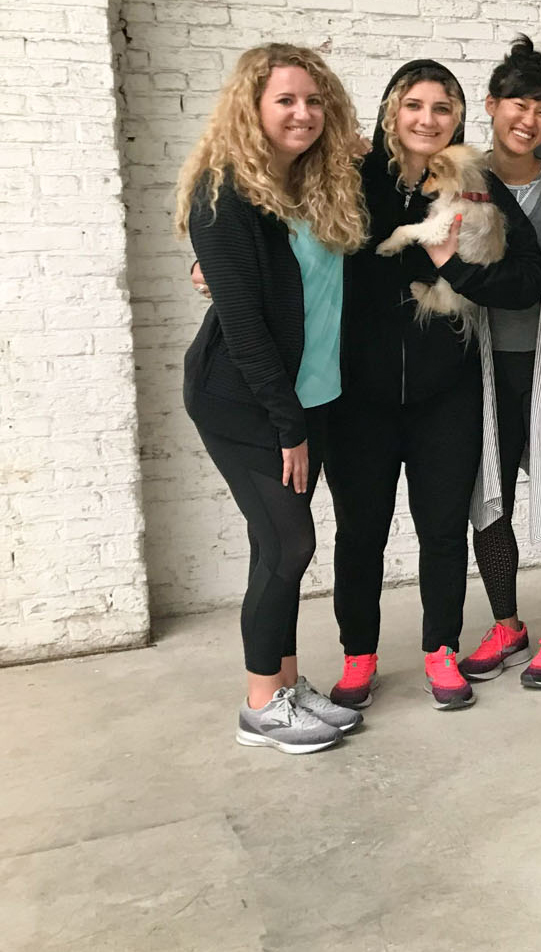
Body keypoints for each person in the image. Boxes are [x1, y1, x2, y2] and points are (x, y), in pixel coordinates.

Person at [328, 60, 541, 711]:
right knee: (360, 532)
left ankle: (439, 650)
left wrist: (458, 269)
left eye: (442, 108)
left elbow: (530, 276)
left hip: (444, 392)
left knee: (444, 530)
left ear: (457, 118)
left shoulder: (472, 182)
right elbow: (283, 231)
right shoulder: (351, 176)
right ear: (393, 109)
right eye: (415, 105)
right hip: (358, 397)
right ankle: (359, 654)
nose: (428, 119)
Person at [178, 44, 368, 753]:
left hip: (312, 398)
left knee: (275, 547)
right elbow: (248, 329)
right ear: (252, 106)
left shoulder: (317, 184)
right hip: (245, 401)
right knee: (290, 542)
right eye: (286, 99)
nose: (303, 113)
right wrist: (288, 425)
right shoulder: (223, 194)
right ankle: (261, 705)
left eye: (315, 100)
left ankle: (285, 683)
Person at [456, 38, 541, 689]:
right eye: (518, 104)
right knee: (489, 498)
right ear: (490, 105)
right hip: (479, 367)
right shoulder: (461, 180)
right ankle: (507, 622)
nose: (530, 119)